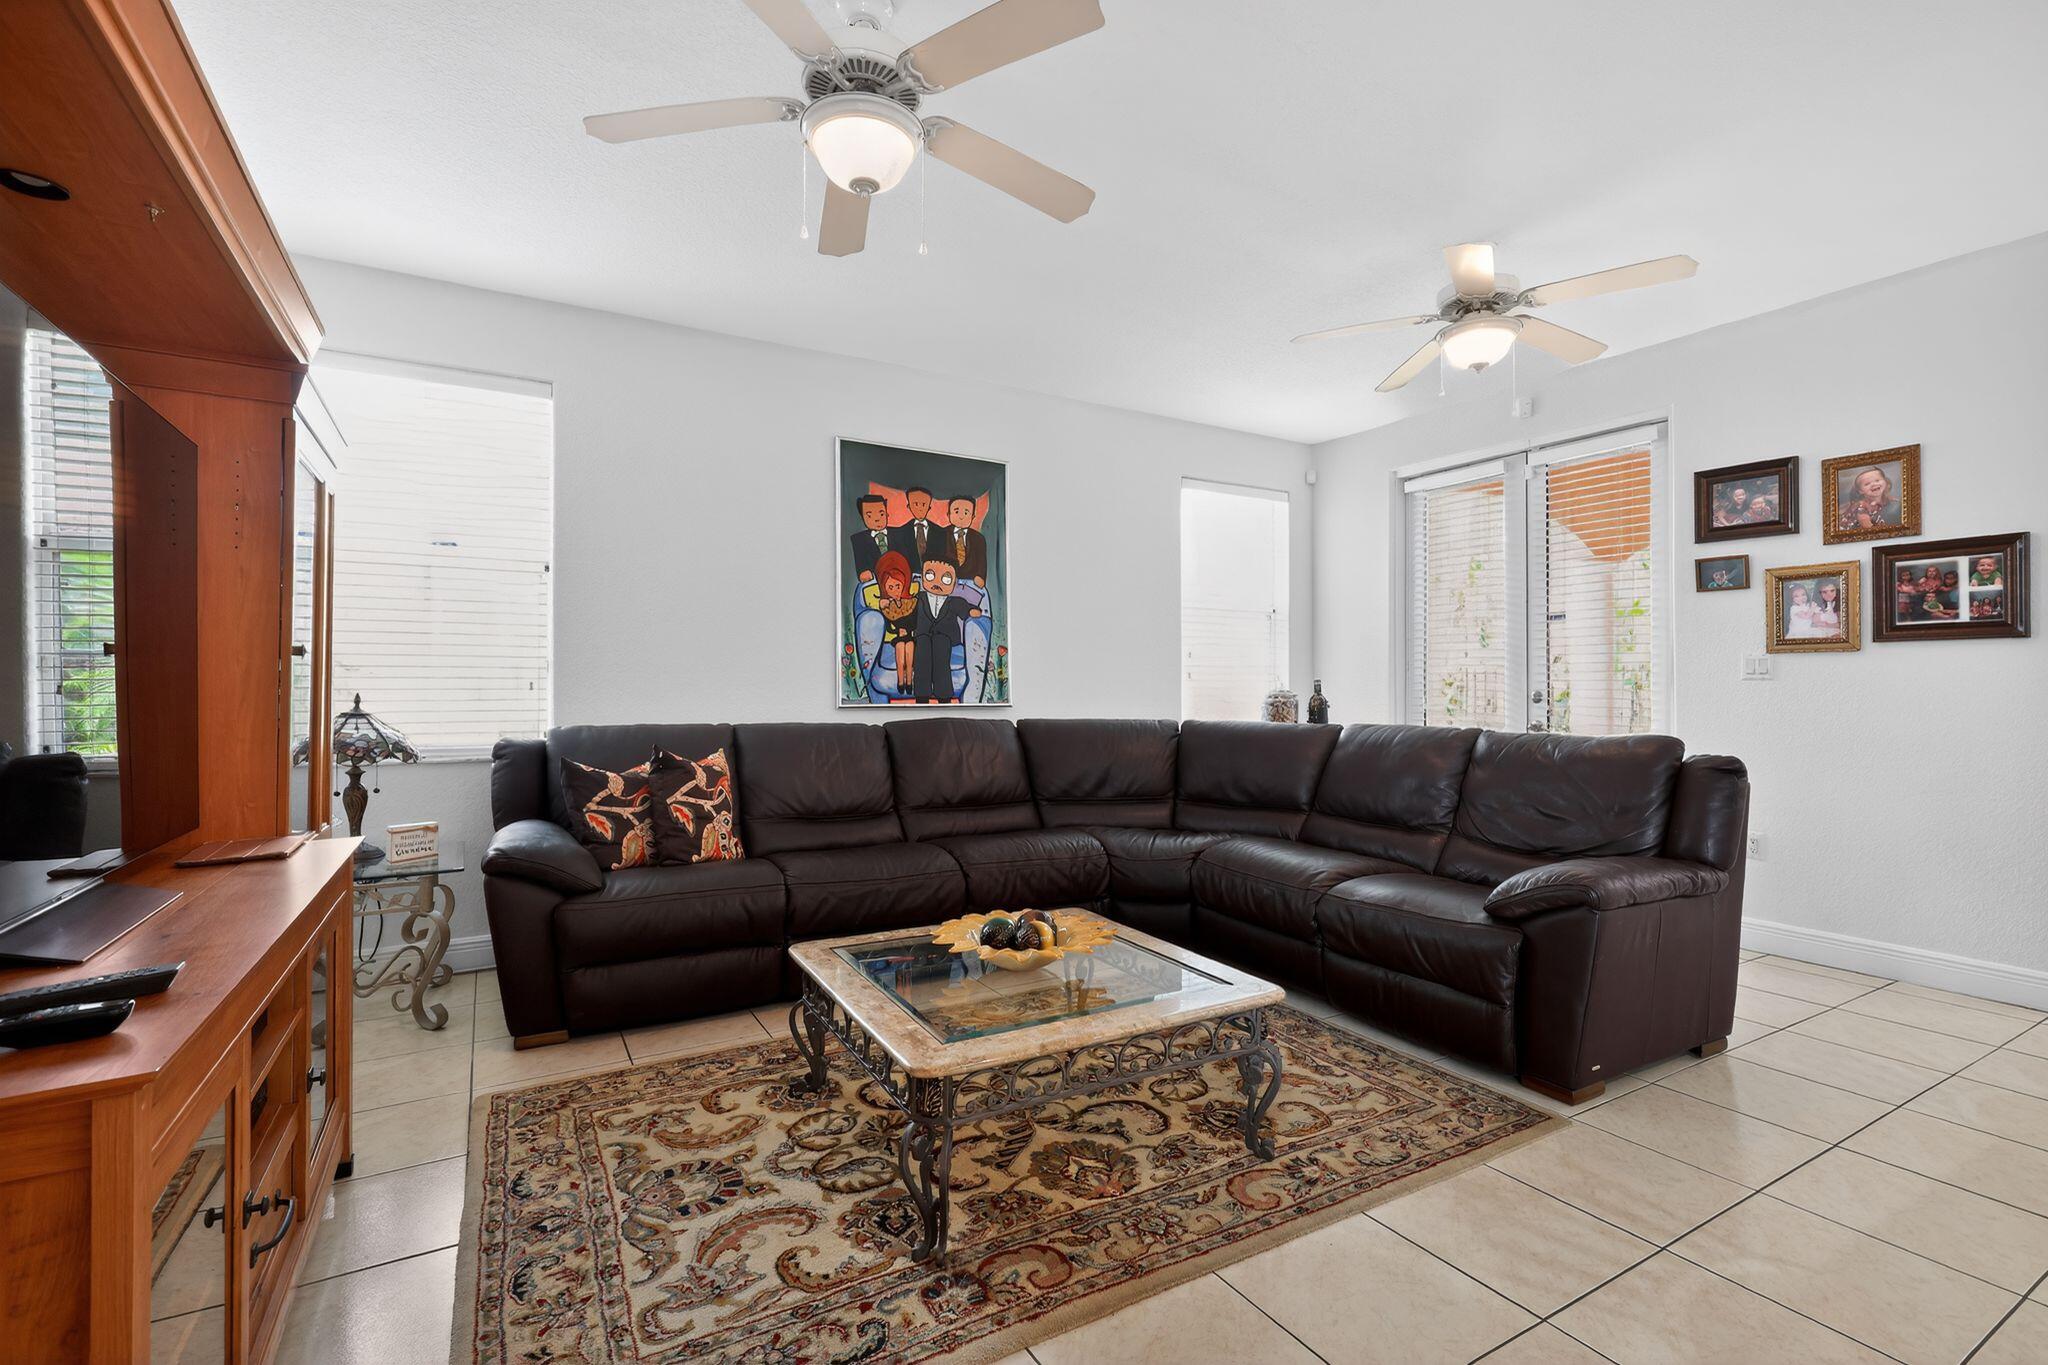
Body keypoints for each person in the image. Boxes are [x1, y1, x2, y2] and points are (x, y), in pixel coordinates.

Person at [910, 558, 980, 701]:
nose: (937, 582)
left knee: (940, 645)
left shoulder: (955, 602)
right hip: (923, 636)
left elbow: (967, 610)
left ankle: (944, 695)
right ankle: (922, 695)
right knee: (922, 649)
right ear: (922, 577)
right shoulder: (918, 598)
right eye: (930, 575)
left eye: (946, 579)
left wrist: (973, 611)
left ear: (954, 583)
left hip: (946, 638)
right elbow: (905, 612)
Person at [860, 550, 920, 696]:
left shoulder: (912, 601)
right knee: (900, 647)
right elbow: (888, 625)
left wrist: (908, 629)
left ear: (904, 584)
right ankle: (901, 680)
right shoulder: (886, 606)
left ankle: (909, 680)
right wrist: (897, 630)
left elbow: (916, 620)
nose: (895, 591)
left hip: (911, 635)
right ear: (884, 588)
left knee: (910, 647)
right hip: (898, 636)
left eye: (898, 587)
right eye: (890, 588)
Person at [941, 495, 989, 587]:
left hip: (970, 583)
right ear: (949, 514)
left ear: (973, 516)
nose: (961, 516)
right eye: (957, 511)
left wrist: (980, 577)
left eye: (966, 513)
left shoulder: (979, 538)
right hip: (945, 581)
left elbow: (981, 564)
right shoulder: (941, 534)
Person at [1836, 465, 1901, 532]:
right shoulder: (1861, 506)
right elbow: (1866, 525)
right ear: (1860, 491)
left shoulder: (1885, 497)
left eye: (1877, 480)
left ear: (1885, 482)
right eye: (1867, 484)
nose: (1873, 484)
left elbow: (1888, 499)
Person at [849, 493, 893, 583]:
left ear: (887, 514)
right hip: (875, 583)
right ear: (863, 517)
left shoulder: (900, 532)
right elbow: (862, 568)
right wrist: (864, 573)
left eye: (881, 514)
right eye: (869, 516)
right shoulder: (859, 539)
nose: (877, 519)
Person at [894, 487, 942, 569]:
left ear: (929, 507)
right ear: (909, 506)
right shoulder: (901, 532)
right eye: (915, 504)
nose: (920, 508)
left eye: (924, 504)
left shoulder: (940, 532)